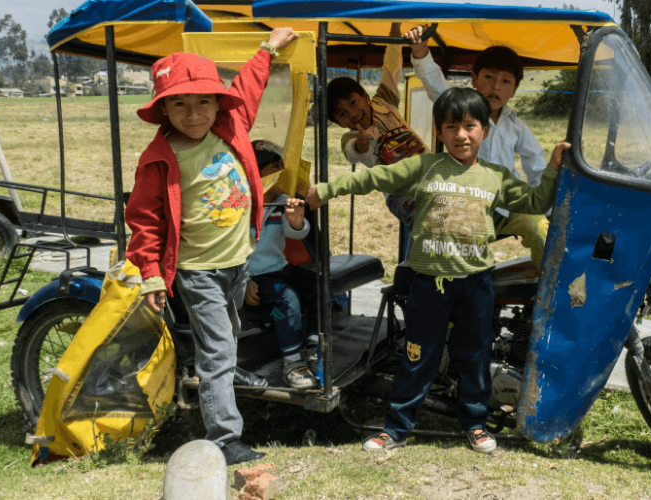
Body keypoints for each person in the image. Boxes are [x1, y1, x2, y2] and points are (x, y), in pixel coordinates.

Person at [306, 87, 571, 454]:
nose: (461, 135)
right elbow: (372, 179)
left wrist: (555, 166)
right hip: (428, 285)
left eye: (469, 126)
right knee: (417, 356)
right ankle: (396, 429)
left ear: (484, 131)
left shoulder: (495, 177)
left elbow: (535, 201)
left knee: (474, 357)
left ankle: (476, 425)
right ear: (439, 132)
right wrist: (326, 189)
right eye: (451, 127)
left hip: (476, 286)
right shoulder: (423, 167)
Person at [125, 28, 299, 466]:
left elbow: (248, 88)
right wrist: (150, 274)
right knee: (219, 349)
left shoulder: (230, 126)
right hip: (197, 270)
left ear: (217, 103)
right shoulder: (158, 158)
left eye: (203, 100)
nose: (194, 112)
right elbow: (144, 221)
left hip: (238, 264)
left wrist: (266, 51)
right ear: (162, 107)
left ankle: (214, 370)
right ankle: (223, 438)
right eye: (179, 102)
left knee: (226, 340)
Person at [403, 27, 551, 269]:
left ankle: (547, 293)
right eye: (489, 77)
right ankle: (417, 274)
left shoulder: (516, 126)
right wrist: (420, 51)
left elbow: (536, 165)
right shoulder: (458, 106)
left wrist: (548, 207)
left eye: (505, 81)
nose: (496, 86)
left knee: (543, 231)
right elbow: (435, 82)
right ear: (474, 79)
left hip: (506, 206)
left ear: (513, 90)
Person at [327, 22, 428, 225]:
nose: (353, 114)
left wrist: (395, 29)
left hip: (429, 175)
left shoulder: (384, 101)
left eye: (354, 103)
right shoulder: (352, 137)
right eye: (343, 114)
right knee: (427, 219)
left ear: (365, 96)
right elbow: (351, 152)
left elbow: (392, 66)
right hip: (400, 193)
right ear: (339, 123)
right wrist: (359, 145)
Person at [243, 140, 319, 390]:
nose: (281, 174)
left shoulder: (282, 200)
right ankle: (293, 363)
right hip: (256, 276)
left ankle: (315, 343)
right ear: (255, 171)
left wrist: (297, 223)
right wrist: (243, 282)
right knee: (287, 302)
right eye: (274, 168)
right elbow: (230, 248)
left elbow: (295, 233)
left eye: (281, 168)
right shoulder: (240, 206)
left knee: (317, 284)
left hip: (280, 268)